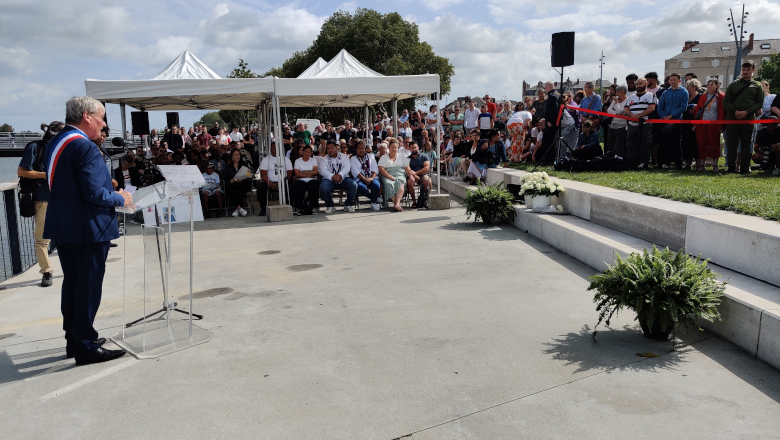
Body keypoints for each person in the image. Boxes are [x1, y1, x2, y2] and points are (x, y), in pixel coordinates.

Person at [43, 96, 131, 365]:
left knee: (72, 285)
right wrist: (120, 198)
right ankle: (85, 345)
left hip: (65, 226)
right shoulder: (85, 147)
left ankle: (74, 338)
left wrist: (105, 180)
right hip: (88, 228)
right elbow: (94, 194)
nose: (104, 124)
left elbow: (70, 182)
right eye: (102, 118)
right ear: (86, 116)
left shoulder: (57, 141)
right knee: (88, 287)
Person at [18, 121, 64, 287]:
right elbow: (22, 171)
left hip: (63, 198)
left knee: (67, 236)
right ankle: (46, 271)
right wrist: (47, 175)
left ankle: (72, 267)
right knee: (42, 240)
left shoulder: (63, 149)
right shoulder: (35, 148)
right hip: (43, 198)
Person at [724, 60, 764, 173]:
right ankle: (731, 167)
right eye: (743, 69)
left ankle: (745, 168)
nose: (745, 72)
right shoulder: (733, 84)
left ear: (753, 70)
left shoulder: (757, 85)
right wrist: (735, 111)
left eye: (748, 69)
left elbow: (759, 103)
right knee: (731, 144)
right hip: (732, 119)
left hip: (748, 119)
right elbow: (726, 101)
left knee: (747, 144)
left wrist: (747, 112)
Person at [624, 78, 658, 168]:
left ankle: (645, 163)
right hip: (632, 124)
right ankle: (631, 162)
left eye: (641, 83)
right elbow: (626, 108)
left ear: (646, 83)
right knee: (630, 143)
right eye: (637, 84)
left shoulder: (651, 95)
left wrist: (640, 116)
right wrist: (632, 115)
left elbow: (652, 108)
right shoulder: (632, 97)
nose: (639, 85)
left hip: (645, 123)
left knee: (646, 143)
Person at [694, 79, 725, 172]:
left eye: (712, 84)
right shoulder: (703, 97)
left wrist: (721, 125)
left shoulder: (721, 96)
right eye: (708, 84)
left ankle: (715, 166)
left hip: (714, 124)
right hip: (702, 124)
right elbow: (697, 111)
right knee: (702, 144)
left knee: (714, 144)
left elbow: (723, 112)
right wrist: (696, 124)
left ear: (717, 85)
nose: (709, 86)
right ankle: (701, 165)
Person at [319, 141, 357, 213]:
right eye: (328, 148)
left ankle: (348, 205)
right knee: (323, 187)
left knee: (353, 185)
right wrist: (333, 177)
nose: (330, 150)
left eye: (332, 148)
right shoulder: (323, 159)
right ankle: (330, 206)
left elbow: (347, 167)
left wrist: (339, 175)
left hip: (343, 177)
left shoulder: (344, 156)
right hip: (329, 179)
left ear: (336, 148)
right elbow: (323, 171)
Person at [257, 142, 293, 217]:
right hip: (269, 183)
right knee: (261, 189)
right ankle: (263, 208)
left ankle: (289, 207)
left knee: (292, 187)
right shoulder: (266, 160)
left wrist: (282, 183)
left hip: (283, 182)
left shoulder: (286, 160)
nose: (276, 150)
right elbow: (263, 174)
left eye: (277, 148)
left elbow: (289, 173)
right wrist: (270, 183)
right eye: (274, 148)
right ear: (270, 149)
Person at [378, 139, 409, 212]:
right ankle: (397, 204)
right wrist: (389, 176)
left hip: (400, 174)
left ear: (398, 148)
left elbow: (407, 167)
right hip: (387, 175)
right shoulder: (384, 157)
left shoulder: (401, 156)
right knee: (388, 184)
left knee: (401, 182)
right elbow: (381, 168)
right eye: (392, 147)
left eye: (395, 147)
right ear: (389, 147)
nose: (394, 149)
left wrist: (411, 175)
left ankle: (397, 204)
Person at [350, 140, 381, 211]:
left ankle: (373, 203)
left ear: (365, 149)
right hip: (360, 178)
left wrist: (372, 178)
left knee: (376, 185)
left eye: (362, 148)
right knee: (361, 187)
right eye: (359, 148)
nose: (361, 150)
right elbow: (354, 170)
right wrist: (364, 179)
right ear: (356, 150)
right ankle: (374, 198)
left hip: (371, 177)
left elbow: (375, 168)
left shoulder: (371, 156)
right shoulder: (353, 158)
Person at [292, 145, 321, 215]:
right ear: (302, 152)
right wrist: (309, 174)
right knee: (298, 186)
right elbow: (297, 174)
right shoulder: (297, 161)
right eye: (306, 151)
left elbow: (315, 172)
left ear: (311, 153)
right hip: (301, 180)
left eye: (309, 152)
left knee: (314, 185)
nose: (307, 153)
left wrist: (303, 172)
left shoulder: (313, 160)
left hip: (312, 180)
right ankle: (299, 208)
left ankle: (314, 206)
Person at [681, 78, 702, 169]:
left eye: (688, 86)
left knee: (696, 143)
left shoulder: (700, 97)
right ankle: (688, 164)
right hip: (685, 123)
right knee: (686, 143)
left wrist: (695, 111)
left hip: (696, 123)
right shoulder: (685, 97)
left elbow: (703, 109)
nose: (686, 88)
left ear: (694, 87)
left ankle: (698, 164)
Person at [224, 149, 251, 217]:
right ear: (232, 157)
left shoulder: (244, 164)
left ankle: (237, 209)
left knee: (240, 190)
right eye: (235, 154)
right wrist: (230, 180)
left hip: (243, 183)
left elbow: (248, 176)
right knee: (229, 190)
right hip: (233, 184)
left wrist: (242, 179)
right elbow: (225, 177)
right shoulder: (228, 166)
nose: (237, 156)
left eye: (238, 154)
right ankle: (240, 208)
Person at [405, 141, 431, 207]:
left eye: (415, 147)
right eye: (412, 148)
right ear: (409, 148)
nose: (414, 149)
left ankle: (425, 199)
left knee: (428, 181)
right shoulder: (407, 158)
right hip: (412, 176)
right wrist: (413, 175)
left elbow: (427, 168)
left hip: (423, 175)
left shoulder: (424, 156)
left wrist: (416, 173)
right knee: (410, 182)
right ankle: (414, 201)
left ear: (418, 147)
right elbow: (407, 169)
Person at [606, 85, 629, 156]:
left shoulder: (627, 100)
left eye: (618, 91)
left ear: (623, 91)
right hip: (612, 124)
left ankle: (620, 159)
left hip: (621, 125)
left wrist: (617, 103)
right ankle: (609, 158)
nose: (616, 93)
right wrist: (617, 113)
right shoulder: (616, 99)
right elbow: (608, 110)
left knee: (619, 144)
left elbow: (620, 110)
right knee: (610, 143)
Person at [540, 81, 560, 163]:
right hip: (551, 121)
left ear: (547, 87)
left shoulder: (552, 96)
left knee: (548, 141)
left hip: (552, 123)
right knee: (549, 140)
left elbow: (555, 110)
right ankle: (549, 159)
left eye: (545, 87)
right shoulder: (557, 94)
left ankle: (550, 159)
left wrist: (550, 121)